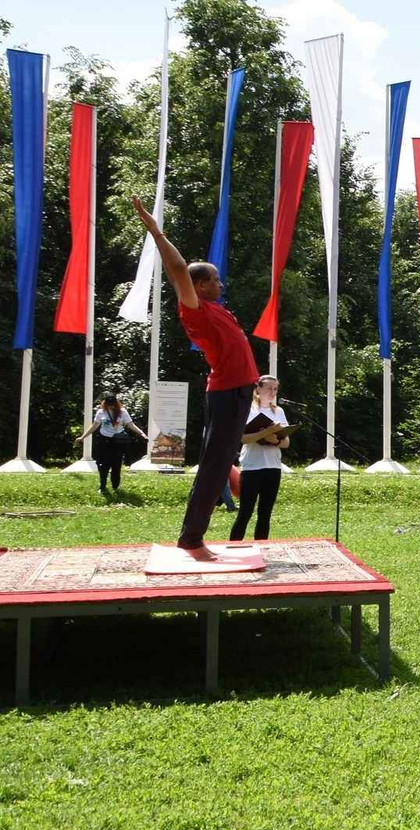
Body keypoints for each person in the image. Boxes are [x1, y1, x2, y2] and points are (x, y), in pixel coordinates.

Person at [130, 198, 259, 562]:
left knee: (219, 465)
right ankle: (191, 539)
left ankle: (192, 537)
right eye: (214, 279)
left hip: (237, 394)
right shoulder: (195, 308)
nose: (220, 283)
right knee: (214, 466)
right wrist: (156, 233)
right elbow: (177, 270)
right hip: (227, 394)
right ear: (199, 285)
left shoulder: (218, 309)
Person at [229, 375, 289, 541]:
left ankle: (262, 547)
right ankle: (233, 547)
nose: (272, 392)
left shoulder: (279, 411)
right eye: (269, 388)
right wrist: (266, 433)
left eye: (275, 389)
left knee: (265, 513)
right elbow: (243, 438)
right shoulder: (249, 410)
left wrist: (275, 440)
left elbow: (286, 443)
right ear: (258, 389)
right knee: (245, 512)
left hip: (273, 467)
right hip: (252, 467)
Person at [82, 393, 146, 495]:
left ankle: (115, 486)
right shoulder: (101, 412)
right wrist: (83, 437)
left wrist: (141, 433)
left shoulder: (123, 412)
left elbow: (130, 424)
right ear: (105, 404)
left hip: (117, 442)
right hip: (104, 441)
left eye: (113, 404)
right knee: (103, 465)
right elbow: (94, 426)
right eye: (108, 404)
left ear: (116, 404)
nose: (111, 406)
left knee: (116, 465)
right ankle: (102, 486)